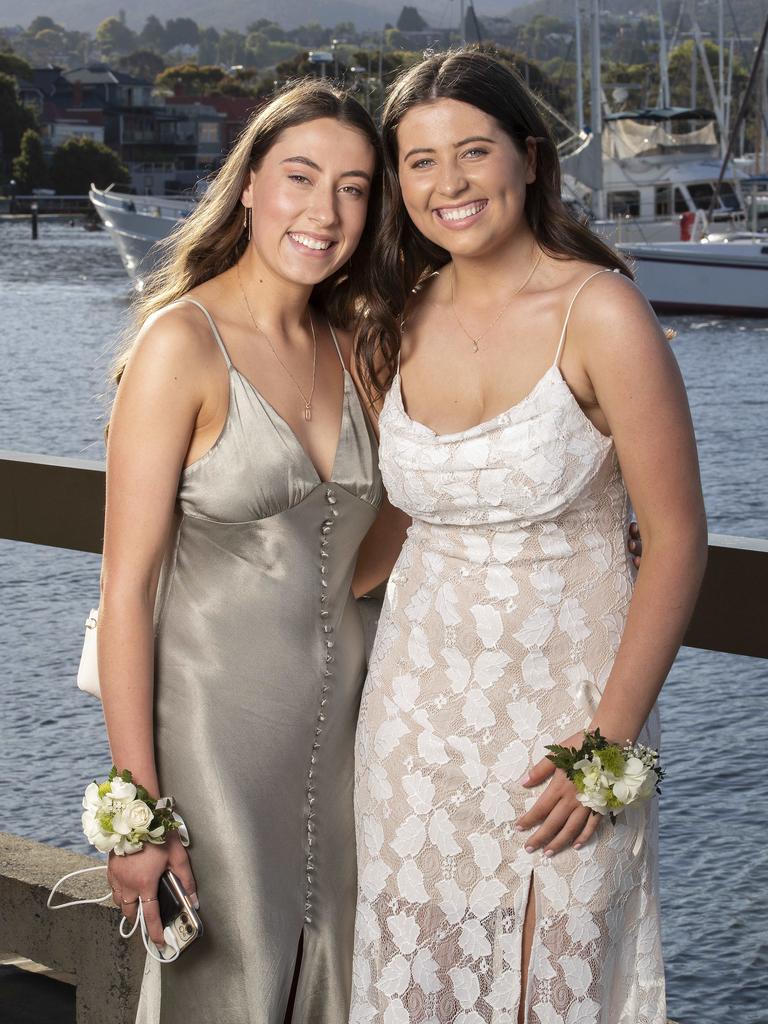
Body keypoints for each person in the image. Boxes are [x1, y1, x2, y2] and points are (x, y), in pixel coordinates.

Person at [350, 50, 707, 1024]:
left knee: (556, 979)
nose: (448, 183)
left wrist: (607, 746)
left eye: (473, 151)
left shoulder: (603, 313)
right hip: (412, 723)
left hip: (568, 725)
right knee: (415, 974)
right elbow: (382, 523)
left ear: (532, 158)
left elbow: (677, 542)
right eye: (419, 162)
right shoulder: (395, 317)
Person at [99, 81, 387, 1024]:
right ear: (251, 184)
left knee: (334, 984)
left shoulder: (358, 348)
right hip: (213, 743)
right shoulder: (181, 345)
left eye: (353, 187)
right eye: (301, 176)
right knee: (230, 985)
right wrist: (138, 812)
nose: (325, 210)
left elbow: (373, 553)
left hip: (349, 744)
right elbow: (129, 588)